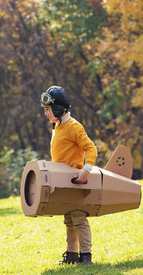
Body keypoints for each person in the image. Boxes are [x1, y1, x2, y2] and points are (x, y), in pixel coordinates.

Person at [40, 86, 98, 265]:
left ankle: (86, 256)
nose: (46, 114)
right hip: (63, 182)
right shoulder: (57, 126)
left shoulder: (74, 127)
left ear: (58, 108)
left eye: (48, 110)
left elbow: (91, 148)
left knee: (79, 218)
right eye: (45, 110)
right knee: (69, 219)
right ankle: (72, 255)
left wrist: (85, 171)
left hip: (75, 181)